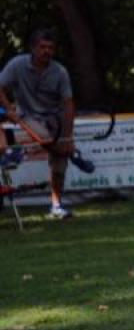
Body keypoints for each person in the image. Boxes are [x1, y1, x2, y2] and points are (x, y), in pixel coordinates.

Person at [0, 29, 90, 219]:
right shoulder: (17, 65)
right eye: (42, 47)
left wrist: (68, 136)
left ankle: (56, 206)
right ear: (33, 48)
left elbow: (68, 104)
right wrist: (9, 110)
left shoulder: (60, 72)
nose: (46, 51)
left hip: (55, 119)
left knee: (59, 168)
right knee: (44, 137)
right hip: (28, 117)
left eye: (50, 48)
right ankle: (72, 154)